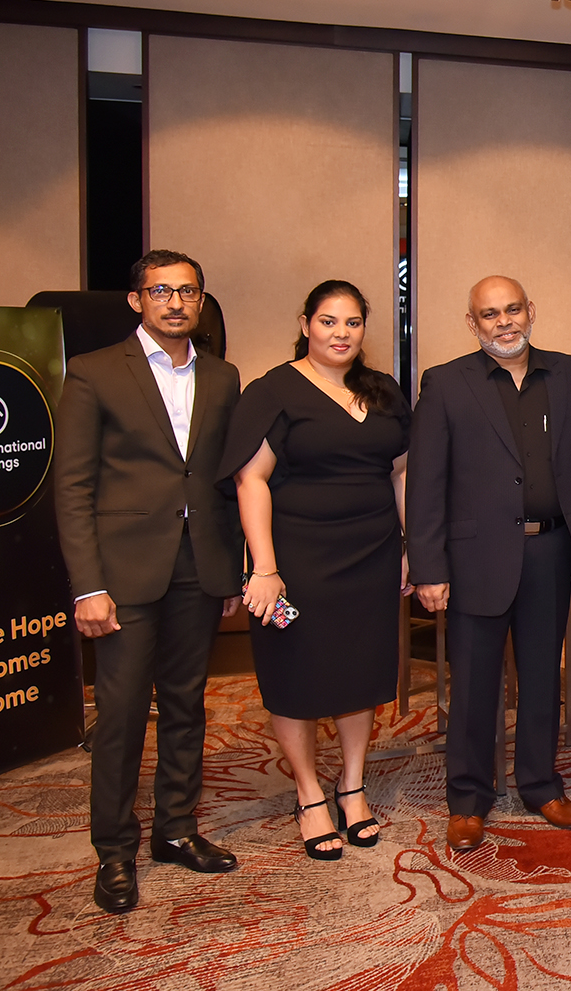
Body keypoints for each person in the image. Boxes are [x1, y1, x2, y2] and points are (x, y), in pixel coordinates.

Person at [54, 249, 244, 915]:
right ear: (137, 300)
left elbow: (223, 480)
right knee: (124, 713)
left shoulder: (222, 376)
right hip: (124, 573)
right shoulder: (95, 372)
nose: (175, 302)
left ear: (201, 301)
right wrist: (87, 586)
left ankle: (175, 829)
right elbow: (72, 486)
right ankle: (113, 850)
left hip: (199, 566)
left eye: (187, 291)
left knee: (187, 704)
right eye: (161, 291)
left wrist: (230, 567)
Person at [406, 276, 571, 852]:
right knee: (474, 683)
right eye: (489, 314)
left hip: (551, 549)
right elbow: (426, 483)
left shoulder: (570, 374)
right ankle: (468, 799)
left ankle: (541, 785)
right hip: (474, 558)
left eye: (512, 309)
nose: (503, 322)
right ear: (472, 323)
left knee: (543, 676)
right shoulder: (445, 383)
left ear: (530, 311)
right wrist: (428, 567)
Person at [220, 281, 410, 860]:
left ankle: (352, 786)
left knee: (360, 673)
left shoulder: (383, 390)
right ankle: (308, 794)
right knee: (295, 676)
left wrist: (410, 545)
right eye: (328, 321)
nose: (341, 333)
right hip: (297, 560)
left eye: (352, 322)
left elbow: (400, 472)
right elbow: (251, 480)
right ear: (306, 324)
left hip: (373, 554)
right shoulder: (273, 391)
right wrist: (264, 567)